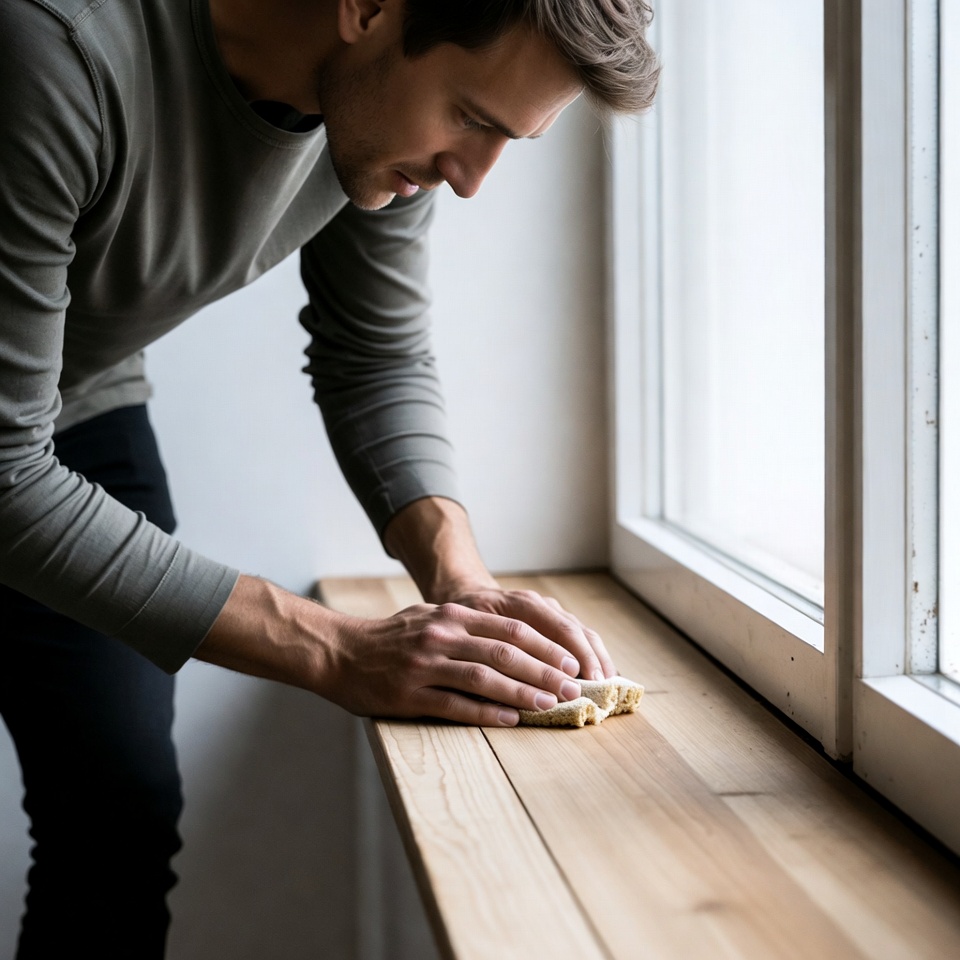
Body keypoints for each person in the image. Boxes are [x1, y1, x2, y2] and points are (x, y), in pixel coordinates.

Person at [0, 0, 659, 954]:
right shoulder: (55, 50)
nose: (472, 181)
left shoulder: (380, 117)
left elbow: (373, 355)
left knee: (117, 819)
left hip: (77, 409)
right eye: (473, 119)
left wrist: (461, 586)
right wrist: (337, 650)